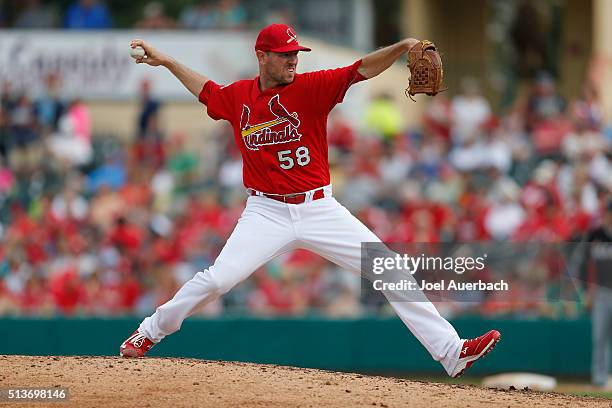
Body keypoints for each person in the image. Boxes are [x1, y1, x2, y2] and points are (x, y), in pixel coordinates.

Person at [120, 23, 500, 378]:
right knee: (218, 279)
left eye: (295, 54)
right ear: (262, 56)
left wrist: (401, 47)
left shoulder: (311, 87)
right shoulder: (239, 97)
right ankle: (148, 332)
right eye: (285, 54)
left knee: (389, 268)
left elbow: (359, 69)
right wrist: (168, 61)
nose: (293, 60)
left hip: (319, 208)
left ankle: (452, 351)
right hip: (265, 212)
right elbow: (208, 92)